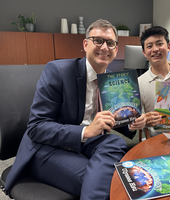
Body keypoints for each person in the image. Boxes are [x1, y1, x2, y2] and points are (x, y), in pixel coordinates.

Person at [5, 19, 146, 200]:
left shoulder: (112, 81)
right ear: (85, 44)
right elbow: (36, 128)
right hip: (46, 147)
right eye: (98, 41)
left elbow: (117, 118)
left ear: (116, 50)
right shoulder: (58, 71)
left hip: (85, 145)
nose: (104, 47)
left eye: (110, 43)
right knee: (113, 182)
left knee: (115, 143)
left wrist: (133, 122)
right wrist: (86, 131)